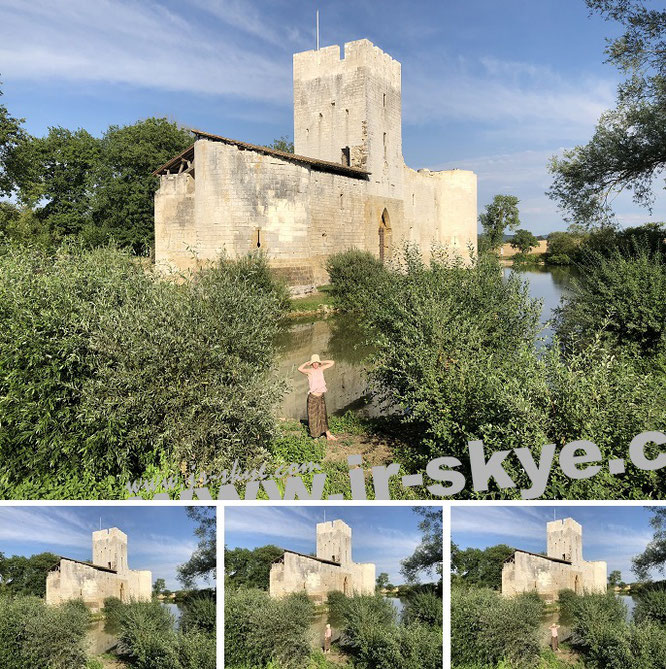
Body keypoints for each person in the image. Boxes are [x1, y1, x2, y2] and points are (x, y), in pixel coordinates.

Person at [298, 354, 337, 441]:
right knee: (313, 417)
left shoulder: (321, 369)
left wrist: (321, 362)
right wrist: (306, 363)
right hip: (313, 398)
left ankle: (328, 434)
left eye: (317, 363)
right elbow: (299, 369)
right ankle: (315, 436)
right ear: (311, 364)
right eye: (314, 363)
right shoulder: (309, 371)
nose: (315, 364)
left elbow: (332, 362)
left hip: (321, 397)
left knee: (323, 415)